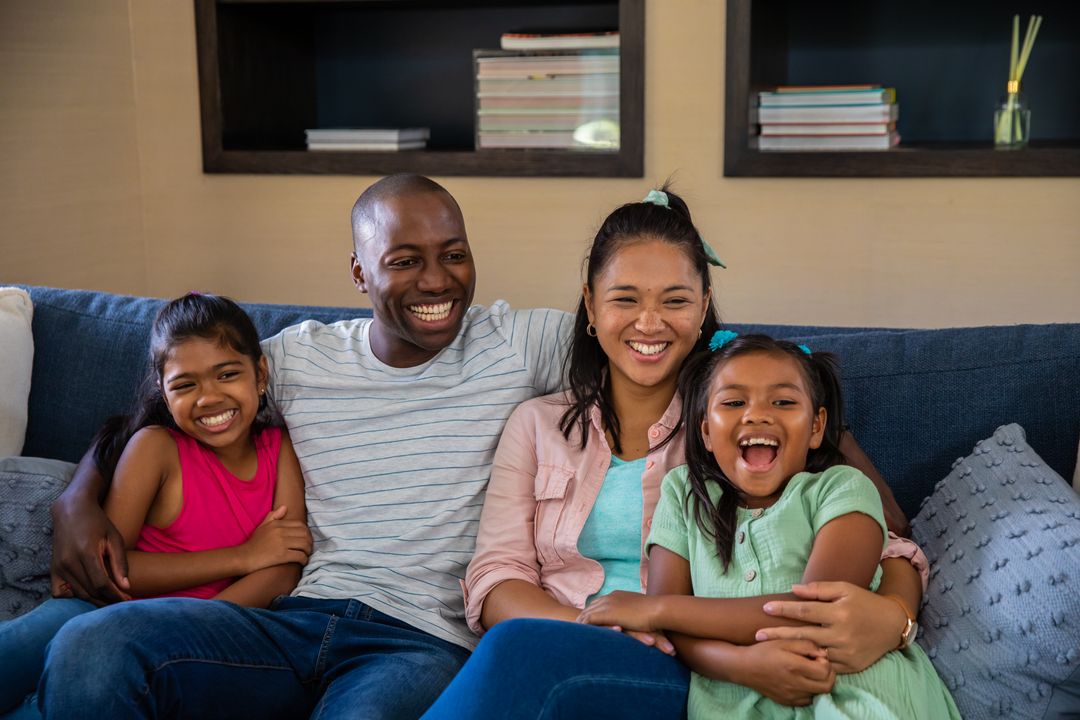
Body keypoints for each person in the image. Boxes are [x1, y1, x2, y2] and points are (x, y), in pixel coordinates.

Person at [37, 174, 574, 720]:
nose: (436, 281)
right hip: (291, 621)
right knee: (90, 648)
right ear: (359, 272)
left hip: (420, 643)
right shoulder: (297, 360)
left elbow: (636, 342)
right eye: (405, 260)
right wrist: (76, 500)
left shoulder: (519, 344)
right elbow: (166, 408)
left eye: (453, 254)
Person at [421, 190, 928, 719]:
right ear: (591, 305)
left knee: (518, 655)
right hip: (566, 640)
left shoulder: (741, 423)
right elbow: (497, 577)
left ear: (704, 306)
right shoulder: (537, 424)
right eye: (625, 299)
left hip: (695, 663)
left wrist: (894, 618)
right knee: (518, 650)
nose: (649, 322)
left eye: (675, 300)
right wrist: (600, 625)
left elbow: (885, 544)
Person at [576, 333, 959, 718]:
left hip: (856, 694)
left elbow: (813, 613)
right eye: (734, 402)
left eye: (783, 401)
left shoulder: (843, 488)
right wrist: (737, 665)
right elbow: (674, 630)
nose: (757, 413)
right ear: (706, 430)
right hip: (734, 702)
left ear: (816, 426)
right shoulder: (682, 494)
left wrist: (655, 609)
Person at [0, 293, 308, 720]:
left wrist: (189, 628)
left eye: (227, 374)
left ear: (259, 374)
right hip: (95, 614)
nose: (209, 398)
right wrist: (243, 556)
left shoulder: (281, 449)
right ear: (163, 390)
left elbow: (285, 564)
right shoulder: (156, 448)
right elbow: (110, 572)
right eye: (185, 384)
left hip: (180, 643)